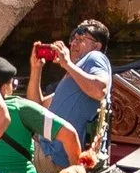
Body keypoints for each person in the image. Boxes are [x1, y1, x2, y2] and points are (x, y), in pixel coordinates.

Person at [32, 15, 114, 156]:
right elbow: (36, 106)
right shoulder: (75, 76)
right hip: (49, 150)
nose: (74, 44)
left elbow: (100, 90)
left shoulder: (95, 56)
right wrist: (35, 69)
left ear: (96, 46)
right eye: (73, 39)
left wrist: (68, 64)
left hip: (55, 155)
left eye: (81, 40)